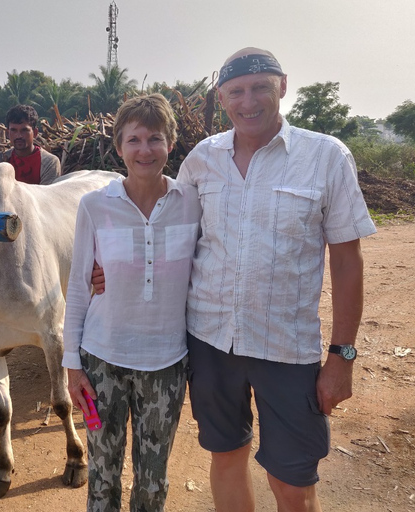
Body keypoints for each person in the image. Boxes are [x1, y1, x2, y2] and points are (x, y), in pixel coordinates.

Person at [92, 48, 377, 511]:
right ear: (221, 98)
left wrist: (342, 356)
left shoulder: (325, 157)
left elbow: (347, 260)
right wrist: (111, 266)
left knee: (292, 481)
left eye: (261, 87)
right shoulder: (204, 159)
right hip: (210, 342)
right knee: (226, 457)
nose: (250, 101)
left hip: (286, 348)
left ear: (282, 86)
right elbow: (165, 228)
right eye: (237, 91)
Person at [63, 94, 201, 511]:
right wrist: (72, 365)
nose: (145, 150)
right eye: (134, 139)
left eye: (155, 139)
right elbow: (77, 287)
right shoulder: (94, 206)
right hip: (102, 361)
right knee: (102, 477)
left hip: (167, 364)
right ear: (119, 147)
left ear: (170, 143)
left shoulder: (192, 203)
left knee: (152, 481)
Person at [0, 104, 61, 184]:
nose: (19, 135)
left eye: (24, 130)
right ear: (8, 133)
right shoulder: (1, 160)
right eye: (14, 130)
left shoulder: (49, 162)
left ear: (35, 133)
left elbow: (45, 195)